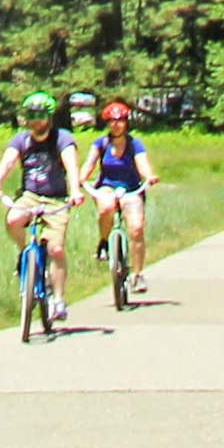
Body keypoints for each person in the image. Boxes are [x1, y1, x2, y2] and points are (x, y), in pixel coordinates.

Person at [0, 91, 82, 325]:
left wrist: (76, 190)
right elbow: (8, 161)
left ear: (49, 117)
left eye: (40, 115)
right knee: (12, 219)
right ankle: (24, 253)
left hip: (56, 199)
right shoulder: (21, 140)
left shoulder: (62, 138)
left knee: (56, 250)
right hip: (30, 196)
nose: (35, 120)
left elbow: (71, 165)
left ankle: (58, 300)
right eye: (31, 115)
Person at [87, 95, 157, 299]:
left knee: (136, 229)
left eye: (120, 121)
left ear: (126, 122)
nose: (116, 125)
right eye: (112, 121)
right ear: (107, 123)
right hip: (107, 187)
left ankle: (137, 274)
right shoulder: (100, 143)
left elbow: (142, 164)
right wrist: (79, 181)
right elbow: (89, 164)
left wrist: (149, 176)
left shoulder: (135, 144)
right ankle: (103, 243)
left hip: (131, 188)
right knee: (106, 208)